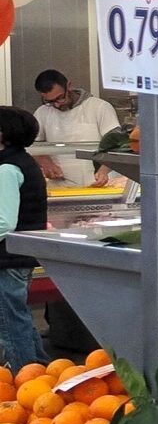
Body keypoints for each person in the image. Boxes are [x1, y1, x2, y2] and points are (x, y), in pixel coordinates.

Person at [0, 107, 49, 368]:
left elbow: (4, 221)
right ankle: (41, 372)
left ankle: (23, 377)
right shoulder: (21, 160)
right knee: (18, 317)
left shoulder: (7, 167)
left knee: (9, 322)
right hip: (19, 256)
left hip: (8, 257)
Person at [32, 70, 120, 188]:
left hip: (98, 181)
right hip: (59, 186)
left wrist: (104, 171)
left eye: (60, 98)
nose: (57, 105)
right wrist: (46, 163)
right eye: (50, 101)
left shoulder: (99, 107)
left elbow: (117, 145)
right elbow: (34, 146)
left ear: (69, 86)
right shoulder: (42, 112)